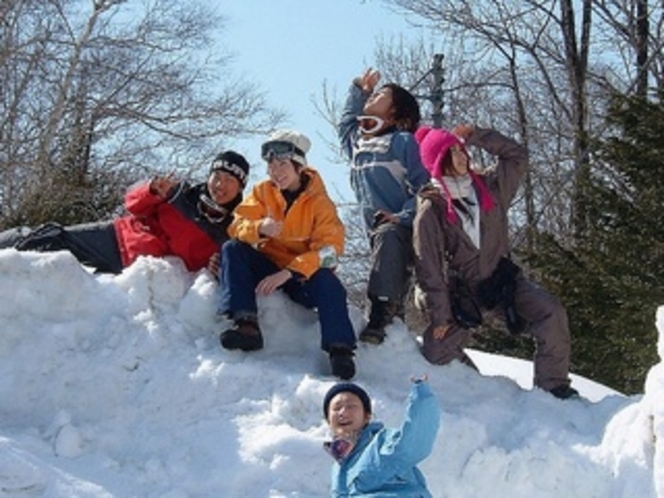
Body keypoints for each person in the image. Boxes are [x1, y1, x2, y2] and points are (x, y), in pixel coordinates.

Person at [413, 124, 578, 399]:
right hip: (463, 293)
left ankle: (553, 387)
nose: (462, 155)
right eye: (452, 152)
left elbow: (517, 156)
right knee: (436, 351)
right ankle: (483, 389)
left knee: (551, 311)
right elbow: (428, 268)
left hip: (503, 282)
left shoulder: (491, 188)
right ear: (439, 160)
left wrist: (477, 136)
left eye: (461, 149)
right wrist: (440, 315)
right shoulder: (432, 209)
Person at [217, 130, 358, 380]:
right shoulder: (263, 192)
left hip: (303, 277)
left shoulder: (320, 203)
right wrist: (260, 228)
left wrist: (291, 271)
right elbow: (236, 225)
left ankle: (340, 350)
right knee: (233, 249)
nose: (275, 171)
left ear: (299, 166)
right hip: (269, 266)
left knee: (330, 283)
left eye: (282, 164)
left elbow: (330, 251)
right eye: (271, 164)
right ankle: (246, 325)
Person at [0, 151, 249, 275]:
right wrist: (151, 190)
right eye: (217, 176)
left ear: (240, 187)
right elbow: (132, 203)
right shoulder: (180, 192)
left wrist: (219, 270)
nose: (220, 185)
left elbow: (214, 270)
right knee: (51, 237)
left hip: (141, 272)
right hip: (117, 238)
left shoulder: (231, 230)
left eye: (229, 180)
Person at [338, 68, 430, 345]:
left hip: (403, 229)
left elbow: (425, 188)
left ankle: (383, 313)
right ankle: (391, 332)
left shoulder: (404, 142)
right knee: (385, 267)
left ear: (394, 115)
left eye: (381, 95)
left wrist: (401, 216)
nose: (373, 96)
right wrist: (359, 89)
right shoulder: (360, 143)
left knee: (389, 244)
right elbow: (346, 125)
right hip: (376, 233)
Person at [322, 378, 440, 497]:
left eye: (351, 406)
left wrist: (422, 397)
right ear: (328, 420)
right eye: (336, 408)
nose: (343, 413)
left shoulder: (382, 443)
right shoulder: (339, 466)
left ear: (367, 416)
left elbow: (414, 442)